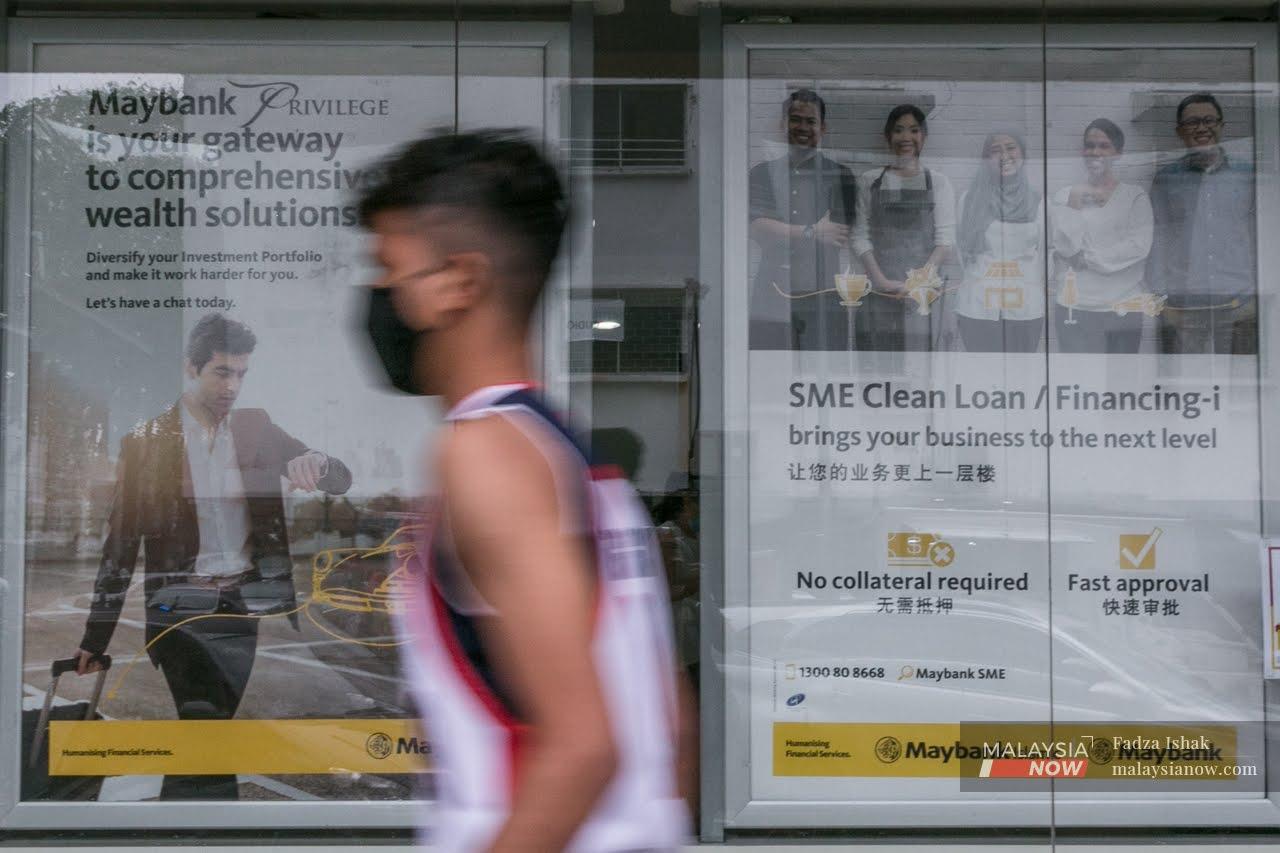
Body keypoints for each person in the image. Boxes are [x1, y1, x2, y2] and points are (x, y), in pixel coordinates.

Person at [359, 131, 692, 852]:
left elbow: (584, 747)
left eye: (389, 269)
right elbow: (671, 725)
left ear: (459, 281)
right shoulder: (577, 462)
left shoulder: (486, 456)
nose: (380, 298)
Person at [73, 313, 352, 799]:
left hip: (240, 608)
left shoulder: (256, 429)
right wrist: (95, 638)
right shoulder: (148, 444)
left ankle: (191, 822)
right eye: (222, 372)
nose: (232, 387)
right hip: (180, 607)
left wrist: (319, 461)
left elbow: (341, 480)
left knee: (207, 733)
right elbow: (121, 544)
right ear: (192, 368)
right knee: (206, 727)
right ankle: (212, 821)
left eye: (241, 374)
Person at [1147, 92, 1258, 355]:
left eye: (1209, 120)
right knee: (1185, 378)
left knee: (1242, 378)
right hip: (1183, 304)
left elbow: (1261, 235)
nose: (1201, 128)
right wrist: (1162, 300)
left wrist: (1258, 294)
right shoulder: (1167, 179)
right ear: (1180, 131)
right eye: (1192, 122)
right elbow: (1157, 241)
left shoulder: (1246, 175)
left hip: (1239, 301)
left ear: (1221, 125)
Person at [749, 89, 857, 350]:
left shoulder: (840, 175)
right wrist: (811, 231)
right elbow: (757, 228)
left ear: (823, 128)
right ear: (783, 124)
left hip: (823, 295)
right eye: (796, 119)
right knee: (769, 366)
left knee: (823, 371)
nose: (803, 128)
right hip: (772, 293)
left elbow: (837, 235)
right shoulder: (762, 174)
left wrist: (781, 230)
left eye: (811, 121)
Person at [853, 104, 957, 352]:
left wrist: (918, 282)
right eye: (898, 130)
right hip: (878, 290)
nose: (906, 137)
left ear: (924, 136)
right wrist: (882, 281)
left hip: (924, 293)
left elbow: (945, 241)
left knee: (922, 362)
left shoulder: (939, 183)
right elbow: (859, 236)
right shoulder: (869, 181)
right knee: (878, 360)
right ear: (888, 136)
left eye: (914, 130)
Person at [1050, 118, 1154, 354]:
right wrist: (1076, 198)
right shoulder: (1065, 195)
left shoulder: (1134, 197)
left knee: (1120, 377)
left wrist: (1087, 259)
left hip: (1124, 306)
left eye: (1104, 146)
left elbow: (1138, 247)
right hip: (1076, 306)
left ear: (1118, 154)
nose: (1095, 152)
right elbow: (1066, 248)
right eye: (1090, 146)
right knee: (1079, 376)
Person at [953, 130, 1045, 353]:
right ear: (987, 159)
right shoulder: (969, 199)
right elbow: (961, 251)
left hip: (1024, 306)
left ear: (1023, 154)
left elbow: (1044, 255)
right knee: (982, 372)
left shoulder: (1040, 202)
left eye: (1011, 148)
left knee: (1021, 371)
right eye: (995, 151)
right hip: (978, 306)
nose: (1004, 155)